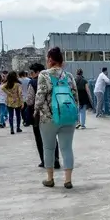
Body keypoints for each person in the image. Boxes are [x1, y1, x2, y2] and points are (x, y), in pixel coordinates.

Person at [35, 47, 78, 188]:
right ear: (62, 61)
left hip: (49, 118)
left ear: (49, 60)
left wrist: (36, 112)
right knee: (67, 148)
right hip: (67, 117)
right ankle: (68, 180)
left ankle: (50, 178)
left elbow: (40, 96)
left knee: (48, 148)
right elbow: (75, 97)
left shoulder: (44, 75)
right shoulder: (69, 76)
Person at [26, 63, 60, 168]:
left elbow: (30, 100)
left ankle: (44, 160)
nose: (30, 75)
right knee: (52, 137)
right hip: (53, 112)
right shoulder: (52, 79)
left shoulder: (33, 82)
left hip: (39, 115)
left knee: (40, 138)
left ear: (37, 72)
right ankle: (56, 159)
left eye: (32, 72)